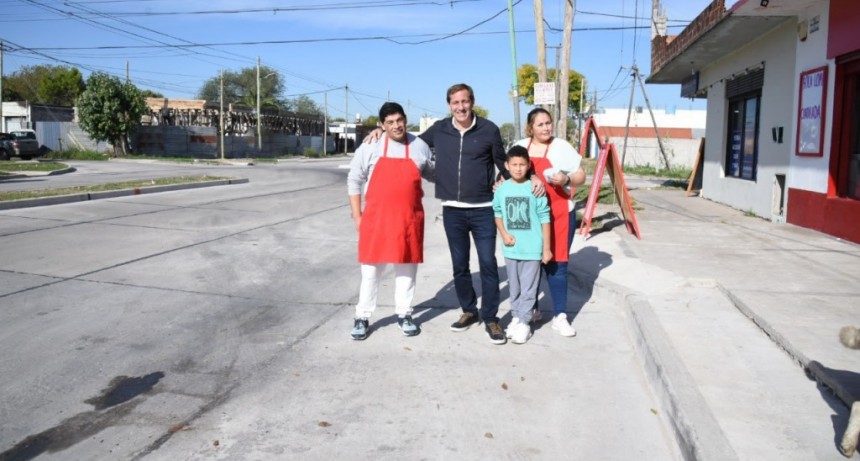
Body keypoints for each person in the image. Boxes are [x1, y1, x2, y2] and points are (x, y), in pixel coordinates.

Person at [366, 83, 544, 345]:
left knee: (488, 264)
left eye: (465, 101)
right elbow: (408, 139)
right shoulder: (439, 129)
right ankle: (469, 311)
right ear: (449, 105)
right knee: (460, 266)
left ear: (472, 102)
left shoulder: (489, 129)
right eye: (455, 102)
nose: (460, 107)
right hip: (452, 210)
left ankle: (491, 317)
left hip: (483, 209)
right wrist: (382, 130)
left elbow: (503, 163)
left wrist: (532, 175)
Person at [347, 102, 434, 340]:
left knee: (406, 272)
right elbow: (354, 179)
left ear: (406, 119)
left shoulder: (419, 146)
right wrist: (357, 216)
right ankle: (362, 316)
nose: (396, 126)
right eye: (390, 122)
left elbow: (434, 174)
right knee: (370, 273)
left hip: (408, 220)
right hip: (376, 221)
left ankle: (404, 314)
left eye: (399, 120)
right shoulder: (371, 145)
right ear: (382, 125)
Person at [513, 108, 586, 337]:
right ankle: (531, 310)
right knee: (529, 264)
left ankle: (560, 316)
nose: (546, 128)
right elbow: (508, 173)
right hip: (528, 216)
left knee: (557, 265)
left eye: (548, 123)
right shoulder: (520, 146)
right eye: (540, 124)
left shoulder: (561, 147)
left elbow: (581, 176)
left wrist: (566, 178)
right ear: (530, 128)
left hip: (559, 214)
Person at [493, 145, 552, 344]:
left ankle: (525, 322)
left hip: (532, 249)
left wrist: (546, 248)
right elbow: (498, 213)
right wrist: (504, 234)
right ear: (507, 166)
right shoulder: (501, 189)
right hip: (511, 248)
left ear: (528, 166)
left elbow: (545, 218)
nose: (518, 168)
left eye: (522, 165)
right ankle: (516, 317)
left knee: (529, 288)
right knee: (515, 287)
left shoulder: (535, 188)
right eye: (514, 164)